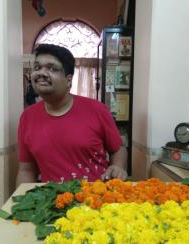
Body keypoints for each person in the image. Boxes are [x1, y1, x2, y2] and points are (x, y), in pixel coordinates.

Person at [16, 44, 127, 185]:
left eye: (51, 68)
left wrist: (117, 166)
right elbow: (27, 170)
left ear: (68, 80)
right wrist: (20, 202)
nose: (41, 73)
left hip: (96, 199)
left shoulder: (97, 110)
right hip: (52, 202)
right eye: (37, 67)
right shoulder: (27, 117)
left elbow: (118, 149)